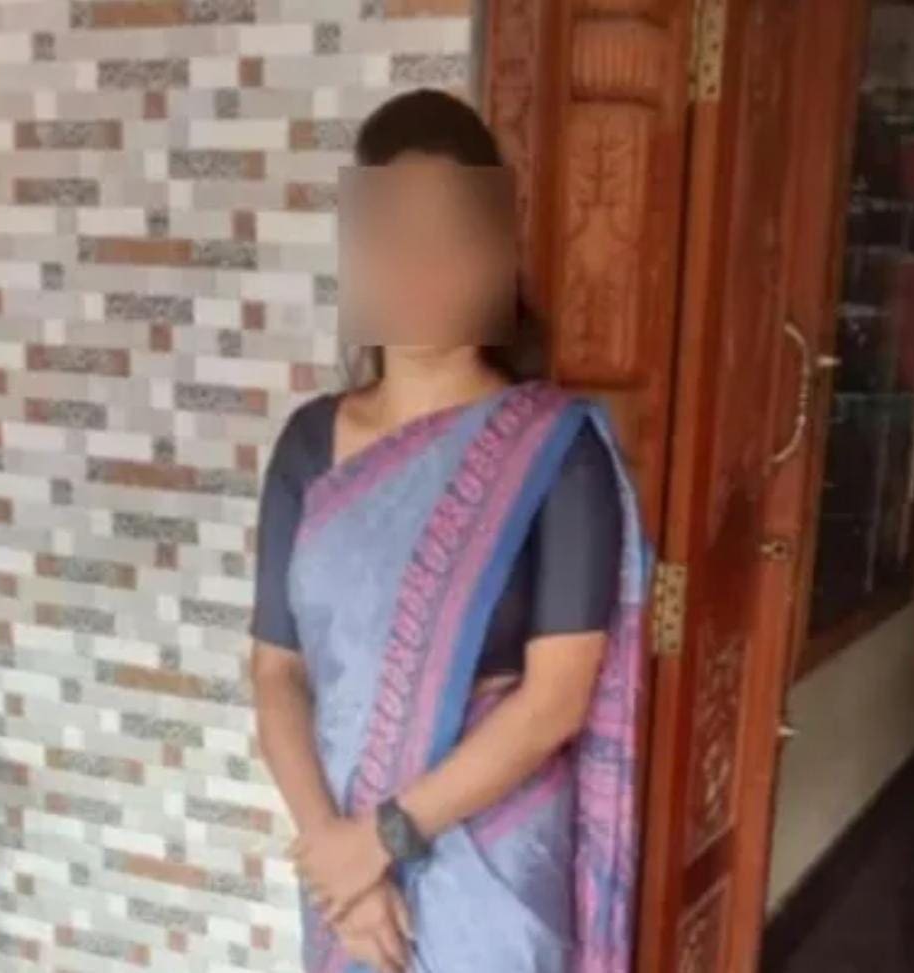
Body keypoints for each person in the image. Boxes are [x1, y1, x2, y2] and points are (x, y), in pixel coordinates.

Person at [248, 88, 649, 973]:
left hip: (495, 872)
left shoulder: (555, 449)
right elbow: (276, 673)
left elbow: (554, 701)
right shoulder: (308, 445)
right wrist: (340, 862)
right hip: (347, 883)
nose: (418, 265)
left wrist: (382, 839)